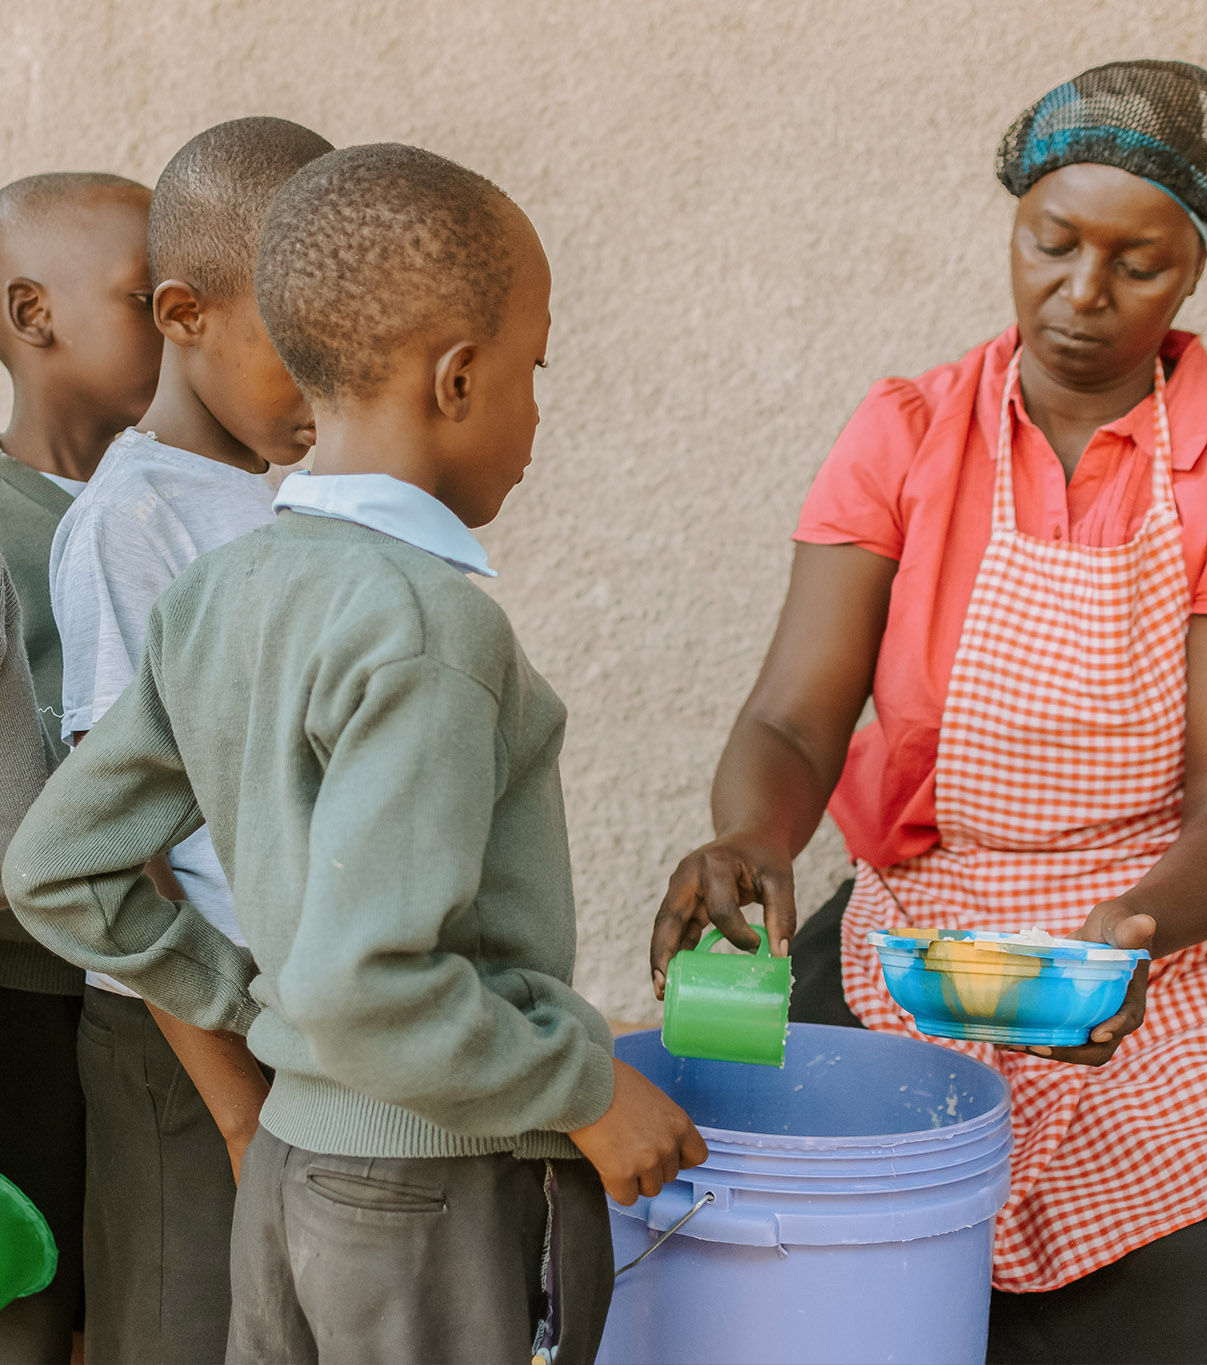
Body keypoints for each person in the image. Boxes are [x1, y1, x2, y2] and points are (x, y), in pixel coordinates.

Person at [652, 59, 1207, 1364]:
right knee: (791, 1218)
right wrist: (756, 841)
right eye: (1053, 243)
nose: (1082, 294)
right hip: (923, 929)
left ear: (1193, 272)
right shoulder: (911, 432)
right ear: (1013, 223)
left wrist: (1131, 931)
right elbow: (794, 722)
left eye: (1136, 263)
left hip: (1175, 942)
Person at [7, 141, 707, 1365]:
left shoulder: (227, 589)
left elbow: (57, 867)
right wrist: (589, 1093)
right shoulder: (429, 628)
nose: (539, 411)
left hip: (291, 1180)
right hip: (424, 1193)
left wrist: (251, 1005)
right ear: (456, 380)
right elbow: (364, 980)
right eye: (533, 371)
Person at [46, 116, 331, 1365]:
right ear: (185, 312)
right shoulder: (134, 521)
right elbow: (120, 844)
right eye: (301, 348)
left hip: (279, 1021)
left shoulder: (281, 494)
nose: (330, 385)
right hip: (179, 1041)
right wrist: (230, 1106)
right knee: (180, 1323)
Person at [0, 170, 161, 1363]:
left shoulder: (175, 510)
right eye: (141, 297)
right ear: (33, 313)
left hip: (146, 985)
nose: (177, 320)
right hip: (25, 985)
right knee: (30, 1287)